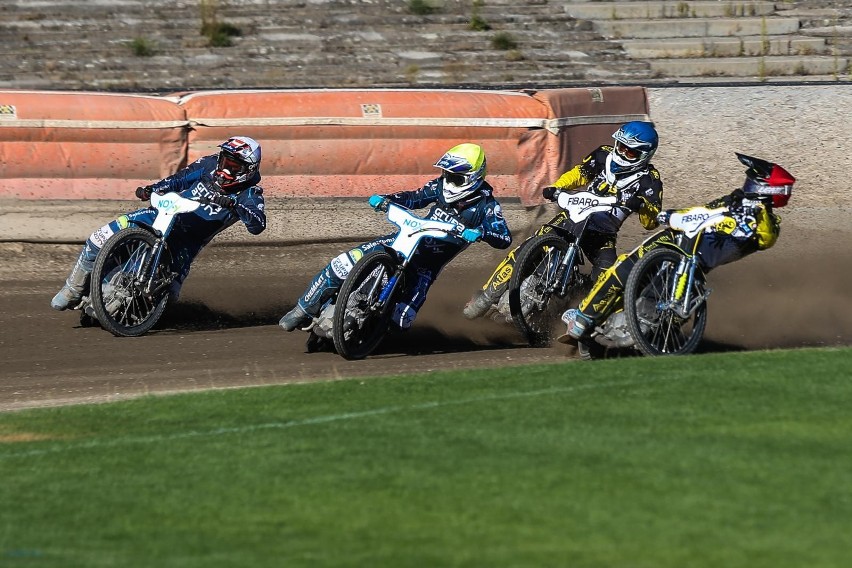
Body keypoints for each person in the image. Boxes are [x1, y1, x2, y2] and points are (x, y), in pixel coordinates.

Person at [559, 153, 795, 344]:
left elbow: (765, 237)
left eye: (755, 179)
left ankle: (650, 331)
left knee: (651, 285)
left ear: (767, 188)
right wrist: (670, 215)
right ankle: (583, 318)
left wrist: (747, 213)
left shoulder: (766, 222)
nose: (748, 182)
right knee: (623, 267)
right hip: (674, 240)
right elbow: (702, 211)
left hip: (694, 260)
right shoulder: (734, 200)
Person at [279, 142, 512, 333]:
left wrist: (481, 233)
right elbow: (414, 197)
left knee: (402, 321)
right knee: (341, 263)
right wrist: (387, 199)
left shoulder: (487, 206)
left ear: (473, 177)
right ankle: (302, 310)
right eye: (446, 174)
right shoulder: (439, 186)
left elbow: (504, 237)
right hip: (400, 242)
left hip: (425, 267)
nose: (448, 181)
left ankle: (371, 335)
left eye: (456, 178)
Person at [462, 121, 664, 320]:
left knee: (608, 276)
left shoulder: (650, 179)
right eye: (620, 146)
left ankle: (580, 312)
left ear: (645, 154)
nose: (621, 153)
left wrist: (642, 205)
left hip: (603, 235)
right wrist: (557, 187)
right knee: (528, 247)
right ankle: (487, 295)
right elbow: (580, 174)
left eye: (630, 152)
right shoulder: (603, 154)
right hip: (573, 218)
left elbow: (651, 222)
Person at [51, 135, 266, 312]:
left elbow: (257, 225)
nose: (224, 169)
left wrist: (233, 204)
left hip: (187, 241)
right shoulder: (209, 163)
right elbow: (180, 178)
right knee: (98, 238)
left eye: (232, 166)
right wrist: (154, 188)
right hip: (162, 214)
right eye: (224, 161)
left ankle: (116, 304)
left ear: (248, 169)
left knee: (168, 300)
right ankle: (71, 289)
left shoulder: (250, 193)